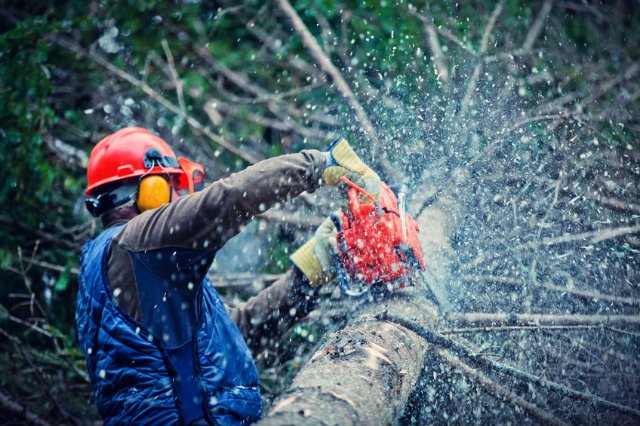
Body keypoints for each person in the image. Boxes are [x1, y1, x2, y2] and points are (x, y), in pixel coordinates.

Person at [75, 127, 380, 425]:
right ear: (148, 191)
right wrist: (319, 164)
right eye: (171, 184)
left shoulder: (137, 265)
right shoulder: (137, 244)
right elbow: (225, 200)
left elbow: (233, 337)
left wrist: (309, 272)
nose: (179, 195)